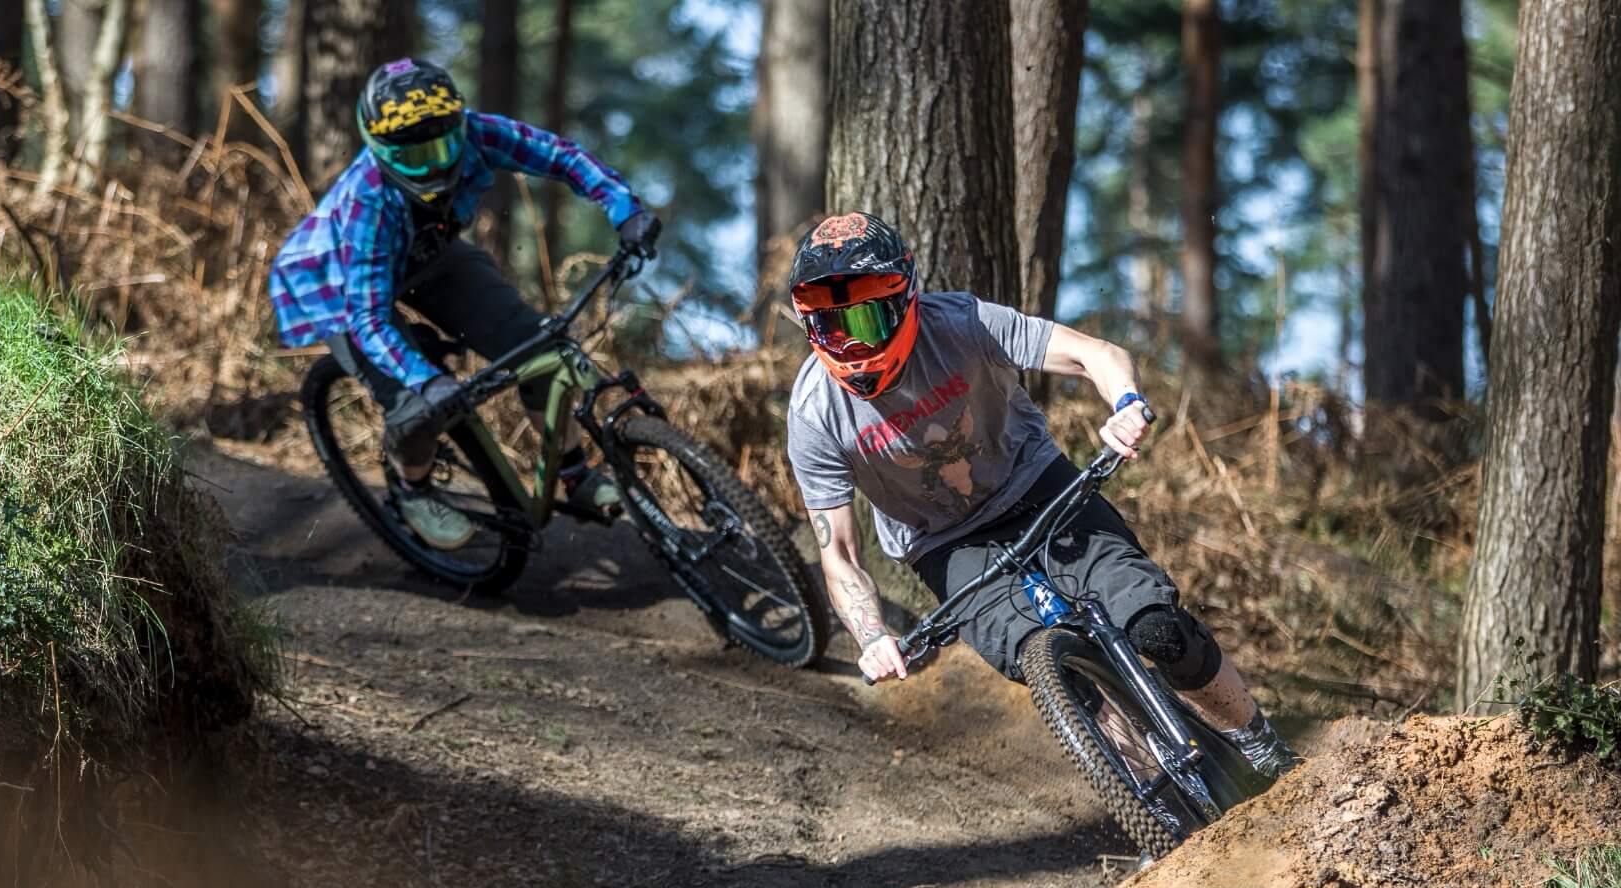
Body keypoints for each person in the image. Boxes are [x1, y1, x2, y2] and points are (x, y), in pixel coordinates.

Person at [780, 211, 1299, 779]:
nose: (851, 342)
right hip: (945, 545)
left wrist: (1126, 403)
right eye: (830, 326)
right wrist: (872, 633)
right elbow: (840, 554)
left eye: (866, 317)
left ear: (905, 301)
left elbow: (1092, 353)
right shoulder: (814, 413)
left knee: (1155, 626)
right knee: (1053, 667)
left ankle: (1257, 741)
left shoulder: (960, 323)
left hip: (1038, 486)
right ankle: (1159, 799)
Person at [269, 58, 660, 551]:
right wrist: (426, 382)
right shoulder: (367, 200)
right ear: (381, 151)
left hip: (424, 252)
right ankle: (412, 490)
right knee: (417, 404)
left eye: (444, 145)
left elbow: (558, 155)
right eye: (415, 156)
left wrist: (625, 207)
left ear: (460, 124)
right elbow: (366, 316)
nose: (434, 165)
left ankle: (576, 477)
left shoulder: (478, 131)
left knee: (536, 347)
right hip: (338, 285)